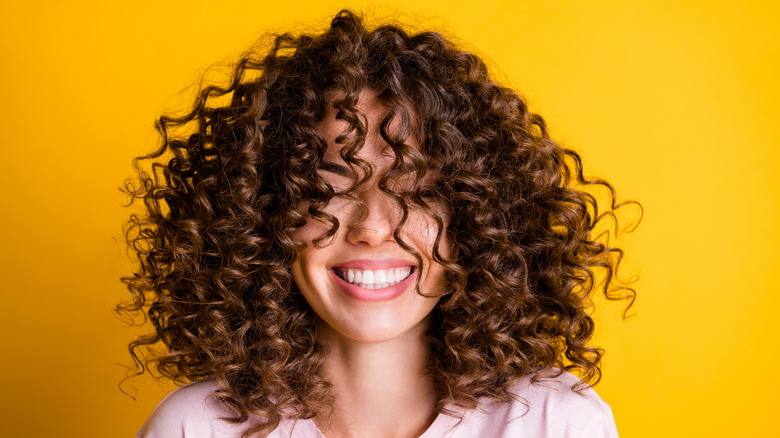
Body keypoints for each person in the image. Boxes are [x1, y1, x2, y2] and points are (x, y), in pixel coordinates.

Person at [120, 9, 638, 438]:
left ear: (478, 220)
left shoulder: (559, 423)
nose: (372, 227)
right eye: (332, 187)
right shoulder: (197, 429)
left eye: (416, 190)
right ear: (265, 215)